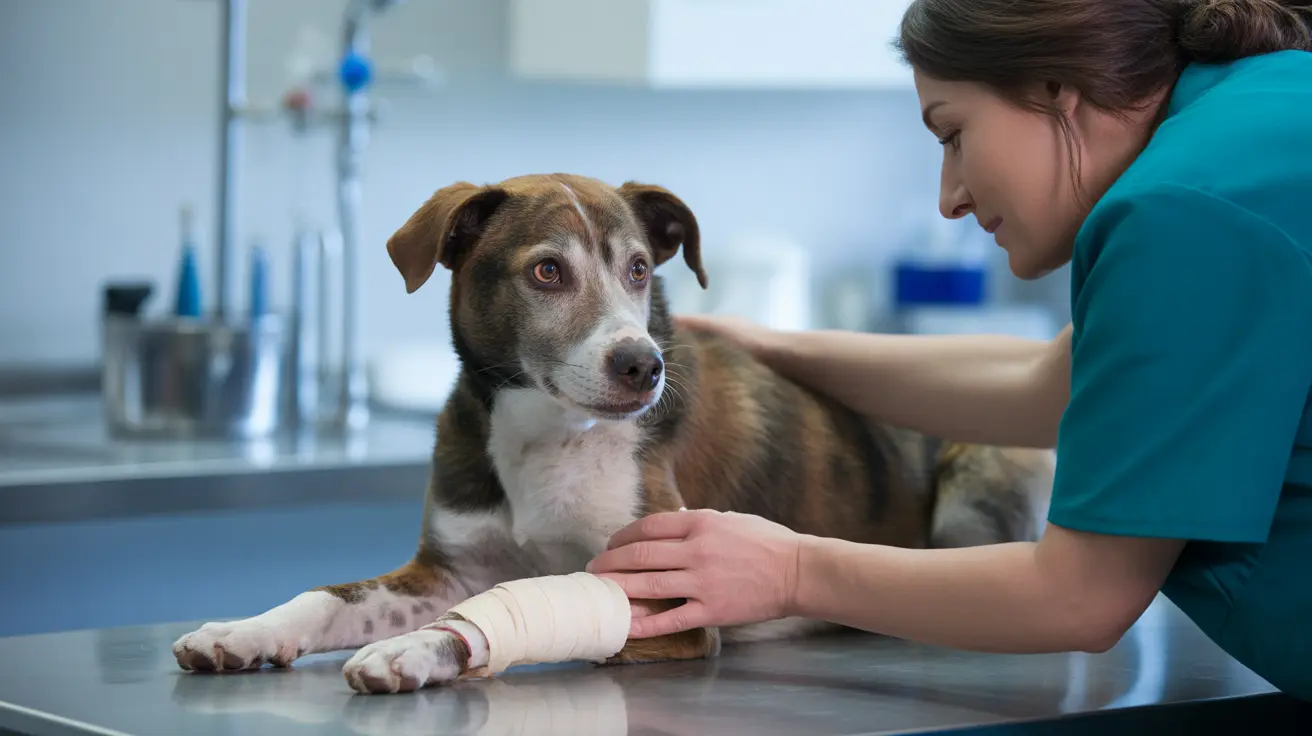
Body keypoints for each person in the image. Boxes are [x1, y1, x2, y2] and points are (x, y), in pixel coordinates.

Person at [587, 0, 1312, 702]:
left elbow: (1081, 596)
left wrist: (789, 572)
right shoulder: (1254, 116)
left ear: (1055, 87)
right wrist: (774, 347)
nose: (950, 197)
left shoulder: (1180, 214)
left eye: (952, 134)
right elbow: (1048, 386)